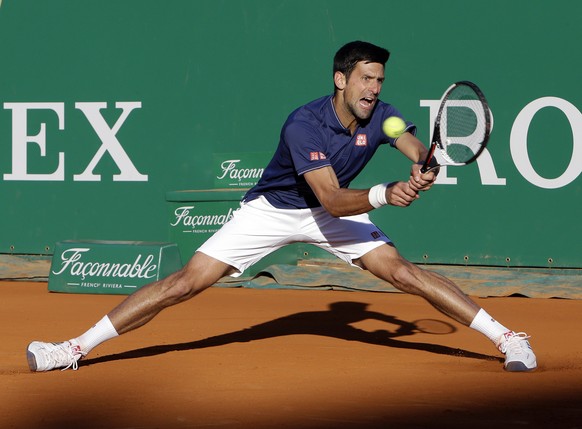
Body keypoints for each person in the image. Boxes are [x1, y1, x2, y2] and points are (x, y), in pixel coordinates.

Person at [26, 41, 536, 372]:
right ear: (340, 80)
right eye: (365, 79)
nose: (374, 89)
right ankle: (72, 348)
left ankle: (508, 337)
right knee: (184, 283)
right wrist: (386, 193)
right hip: (276, 209)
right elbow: (332, 198)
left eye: (379, 81)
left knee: (403, 272)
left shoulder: (384, 115)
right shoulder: (303, 124)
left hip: (335, 214)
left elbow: (409, 146)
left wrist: (424, 164)